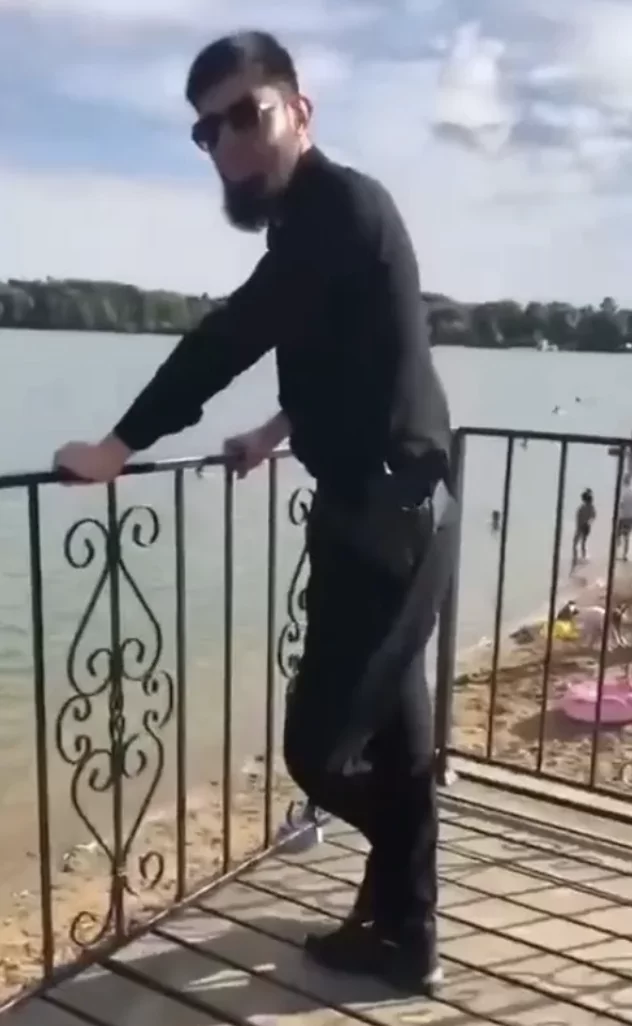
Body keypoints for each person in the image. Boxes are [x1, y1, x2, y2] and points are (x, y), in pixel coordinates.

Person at [52, 31, 453, 991]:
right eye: (208, 130)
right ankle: (406, 935)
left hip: (386, 516)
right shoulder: (321, 224)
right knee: (397, 742)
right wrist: (278, 429)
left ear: (300, 111)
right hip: (398, 503)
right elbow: (361, 353)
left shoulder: (336, 209)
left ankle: (401, 886)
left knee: (318, 752)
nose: (228, 141)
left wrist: (118, 446)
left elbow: (229, 336)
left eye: (247, 114)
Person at [572, 488, 596, 568]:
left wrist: (579, 527)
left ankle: (575, 559)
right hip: (587, 527)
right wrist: (588, 522)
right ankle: (583, 557)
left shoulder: (582, 508)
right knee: (583, 543)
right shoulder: (591, 507)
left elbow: (578, 518)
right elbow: (593, 516)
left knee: (575, 543)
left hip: (581, 527)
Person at [618, 475, 632, 561]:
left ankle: (616, 553)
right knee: (626, 537)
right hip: (630, 517)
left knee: (617, 535)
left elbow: (621, 504)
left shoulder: (622, 491)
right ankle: (624, 555)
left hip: (622, 517)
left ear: (623, 481)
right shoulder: (631, 491)